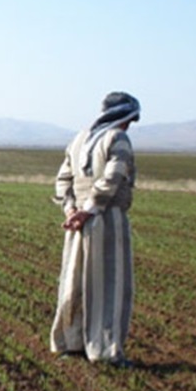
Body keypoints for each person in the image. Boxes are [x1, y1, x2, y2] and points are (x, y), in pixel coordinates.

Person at [49, 91, 139, 367]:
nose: (129, 126)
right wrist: (90, 210)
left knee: (73, 281)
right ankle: (105, 351)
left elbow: (63, 179)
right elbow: (113, 177)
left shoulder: (78, 140)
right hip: (105, 219)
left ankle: (69, 343)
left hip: (76, 222)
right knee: (109, 285)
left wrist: (71, 210)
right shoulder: (117, 139)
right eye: (130, 119)